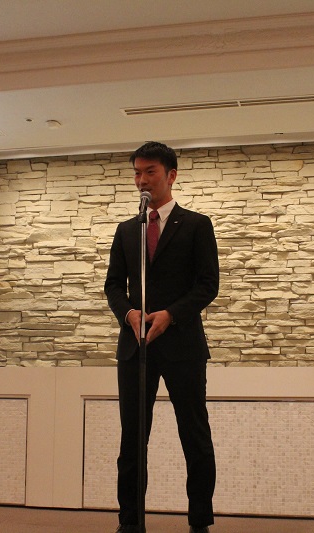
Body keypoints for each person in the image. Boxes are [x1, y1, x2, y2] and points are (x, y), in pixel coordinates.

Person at [104, 141, 219, 533]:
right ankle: (130, 523)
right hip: (135, 346)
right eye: (137, 173)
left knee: (194, 435)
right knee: (133, 440)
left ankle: (199, 522)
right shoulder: (127, 230)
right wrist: (129, 313)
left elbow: (208, 285)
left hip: (183, 344)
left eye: (149, 172)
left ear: (171, 175)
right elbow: (113, 286)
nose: (141, 180)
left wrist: (171, 315)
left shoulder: (197, 225)